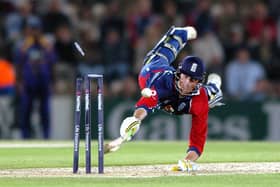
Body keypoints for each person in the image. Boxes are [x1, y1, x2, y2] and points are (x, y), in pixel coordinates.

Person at [108, 26, 223, 172]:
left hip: (184, 100)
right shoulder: (163, 83)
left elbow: (198, 140)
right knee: (172, 41)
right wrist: (135, 120)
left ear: (198, 82)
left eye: (193, 80)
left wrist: (188, 160)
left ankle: (215, 82)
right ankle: (184, 33)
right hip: (153, 67)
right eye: (186, 76)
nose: (187, 83)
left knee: (213, 96)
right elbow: (145, 105)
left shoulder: (199, 100)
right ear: (179, 73)